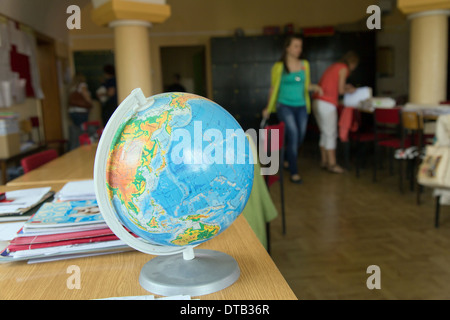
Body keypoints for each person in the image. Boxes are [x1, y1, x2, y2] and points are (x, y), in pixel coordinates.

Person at [262, 35, 322, 184]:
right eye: (295, 46)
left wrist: (316, 87)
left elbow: (306, 85)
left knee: (300, 136)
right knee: (294, 134)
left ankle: (288, 159)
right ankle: (294, 172)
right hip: (284, 106)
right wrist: (268, 107)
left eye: (300, 46)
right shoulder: (279, 66)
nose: (299, 49)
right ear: (287, 48)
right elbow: (273, 87)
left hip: (301, 106)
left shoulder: (305, 64)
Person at [312, 51, 359, 174]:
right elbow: (341, 90)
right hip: (327, 103)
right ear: (352, 63)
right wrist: (351, 90)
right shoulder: (343, 68)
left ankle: (324, 161)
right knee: (331, 134)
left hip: (317, 101)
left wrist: (345, 88)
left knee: (324, 133)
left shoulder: (334, 66)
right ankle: (332, 164)